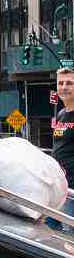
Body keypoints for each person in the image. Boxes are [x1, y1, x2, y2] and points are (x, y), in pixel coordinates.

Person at [49, 65, 74, 229]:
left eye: (69, 83)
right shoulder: (61, 114)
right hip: (58, 185)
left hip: (72, 189)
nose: (64, 87)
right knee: (50, 231)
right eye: (61, 83)